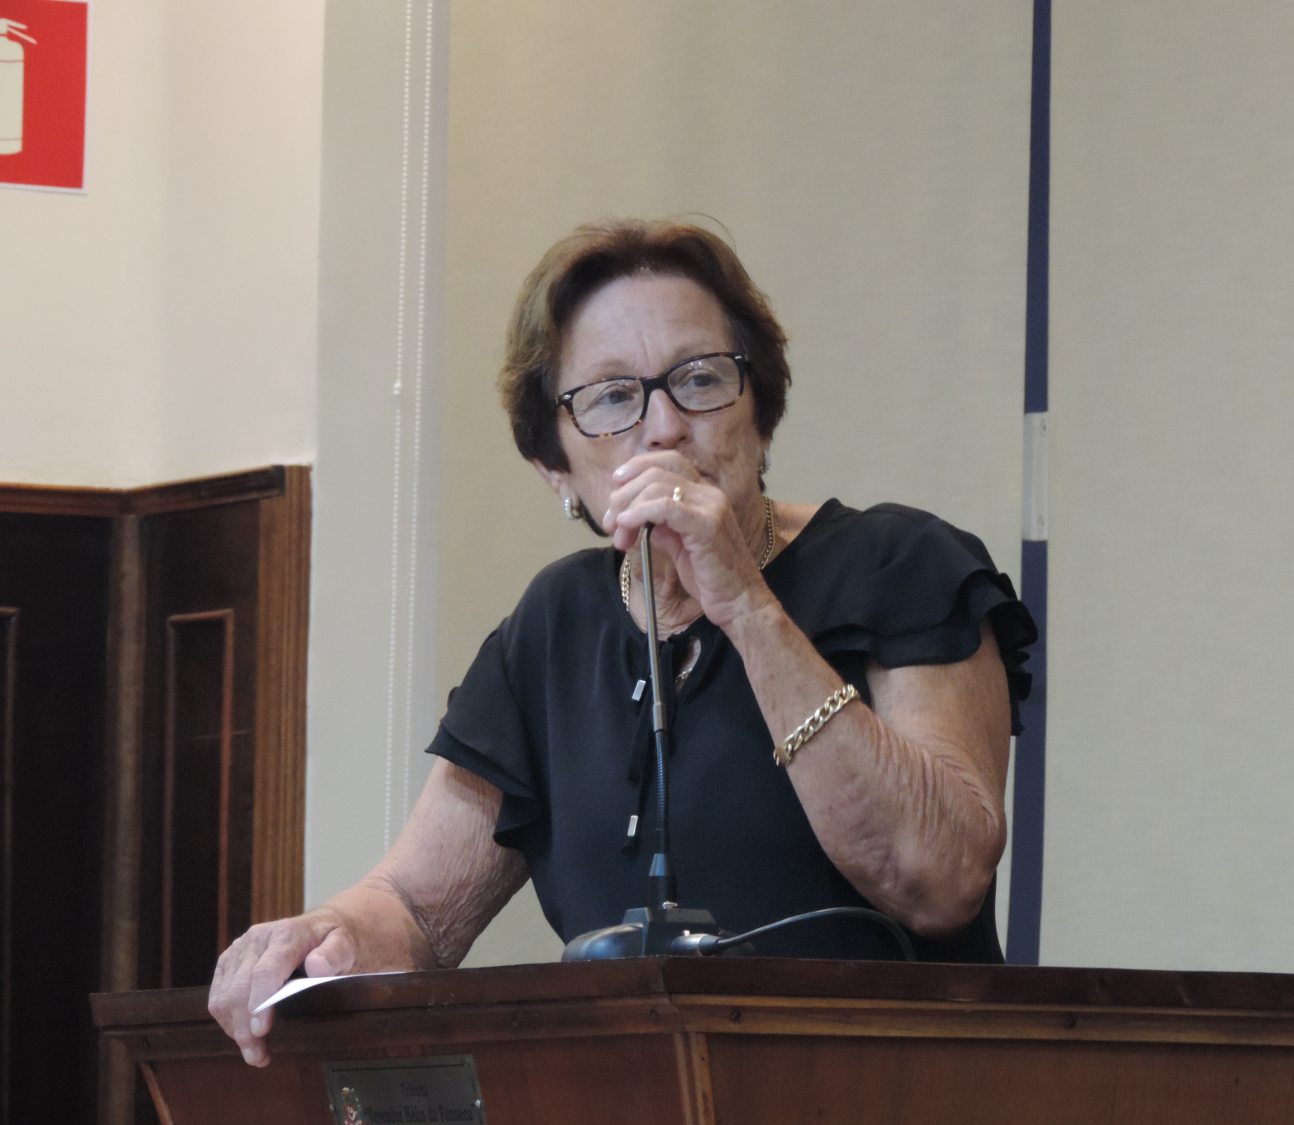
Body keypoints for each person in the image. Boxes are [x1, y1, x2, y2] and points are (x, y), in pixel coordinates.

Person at [209, 218, 1036, 1066]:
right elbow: (418, 908)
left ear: (760, 416)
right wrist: (326, 934)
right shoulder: (553, 624)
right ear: (556, 468)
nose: (665, 425)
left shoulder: (900, 565)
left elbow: (939, 880)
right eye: (611, 396)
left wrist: (744, 604)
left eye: (701, 379)